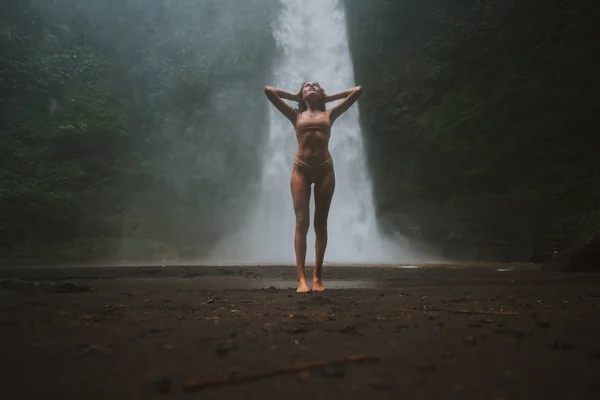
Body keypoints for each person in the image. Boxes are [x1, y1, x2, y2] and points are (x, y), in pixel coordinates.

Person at [263, 81, 363, 293]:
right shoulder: (295, 115)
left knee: (320, 223)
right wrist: (296, 95)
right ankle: (301, 279)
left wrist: (328, 98)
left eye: (316, 85)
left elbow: (357, 92)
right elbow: (269, 91)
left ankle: (317, 276)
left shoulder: (330, 114)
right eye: (307, 85)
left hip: (325, 169)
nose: (311, 86)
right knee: (301, 221)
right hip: (301, 169)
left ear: (322, 94)